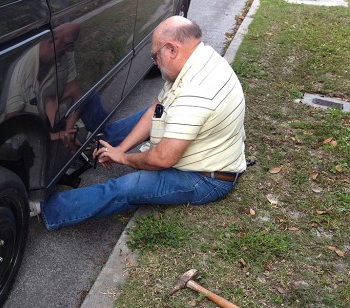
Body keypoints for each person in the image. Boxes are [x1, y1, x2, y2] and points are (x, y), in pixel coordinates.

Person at [30, 16, 247, 230]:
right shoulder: (198, 60)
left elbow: (162, 158)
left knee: (127, 187)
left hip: (207, 179)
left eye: (155, 55)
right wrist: (119, 149)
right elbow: (156, 108)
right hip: (206, 151)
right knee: (146, 118)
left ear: (172, 49)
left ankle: (46, 209)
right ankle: (98, 145)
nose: (154, 62)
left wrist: (124, 158)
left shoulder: (196, 93)